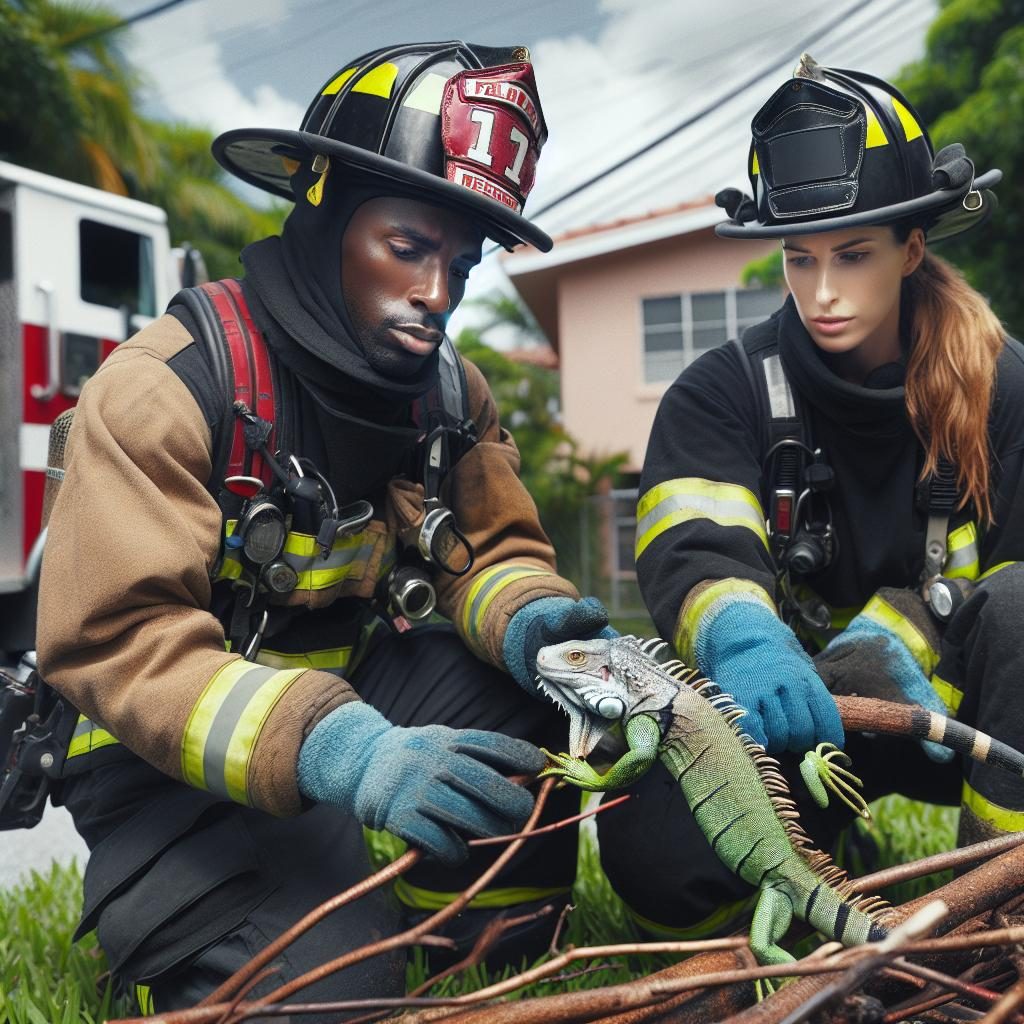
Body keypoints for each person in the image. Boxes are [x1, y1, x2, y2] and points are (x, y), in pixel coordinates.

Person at [36, 42, 613, 1013]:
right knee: (331, 993)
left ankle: (479, 940)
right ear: (326, 215)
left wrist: (528, 620)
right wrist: (340, 751)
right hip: (164, 743)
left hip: (338, 688)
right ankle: (199, 924)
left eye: (459, 263)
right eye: (407, 247)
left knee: (519, 690)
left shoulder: (446, 393)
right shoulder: (169, 384)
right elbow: (120, 641)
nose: (438, 294)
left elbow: (496, 548)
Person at [604, 53, 1022, 938]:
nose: (823, 292)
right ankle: (822, 877)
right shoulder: (724, 391)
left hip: (972, 716)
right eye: (800, 259)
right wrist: (745, 638)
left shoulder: (1003, 385)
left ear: (913, 247)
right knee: (655, 856)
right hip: (797, 708)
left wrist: (911, 631)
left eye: (854, 255)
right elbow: (694, 542)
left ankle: (997, 907)